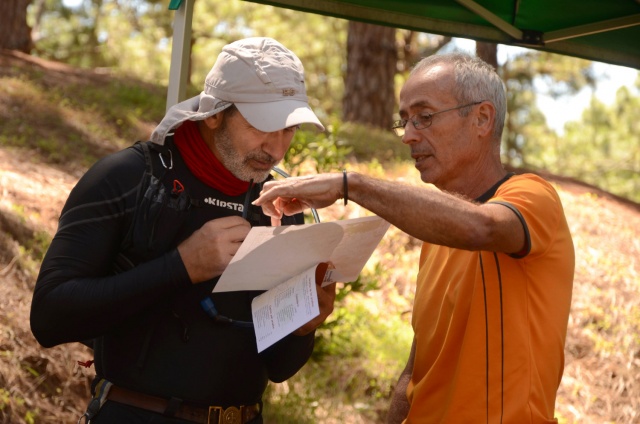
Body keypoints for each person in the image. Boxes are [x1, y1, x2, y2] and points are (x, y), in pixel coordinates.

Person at [253, 52, 574, 423]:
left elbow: (484, 227)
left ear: (482, 118)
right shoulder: (436, 234)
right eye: (404, 121)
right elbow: (414, 373)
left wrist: (350, 185)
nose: (408, 136)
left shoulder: (534, 197)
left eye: (425, 117)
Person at [30, 37, 336, 424]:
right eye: (262, 125)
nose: (275, 149)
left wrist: (303, 327)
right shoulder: (128, 178)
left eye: (289, 129)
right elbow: (49, 317)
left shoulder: (279, 206)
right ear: (214, 114)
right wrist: (181, 266)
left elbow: (277, 368)